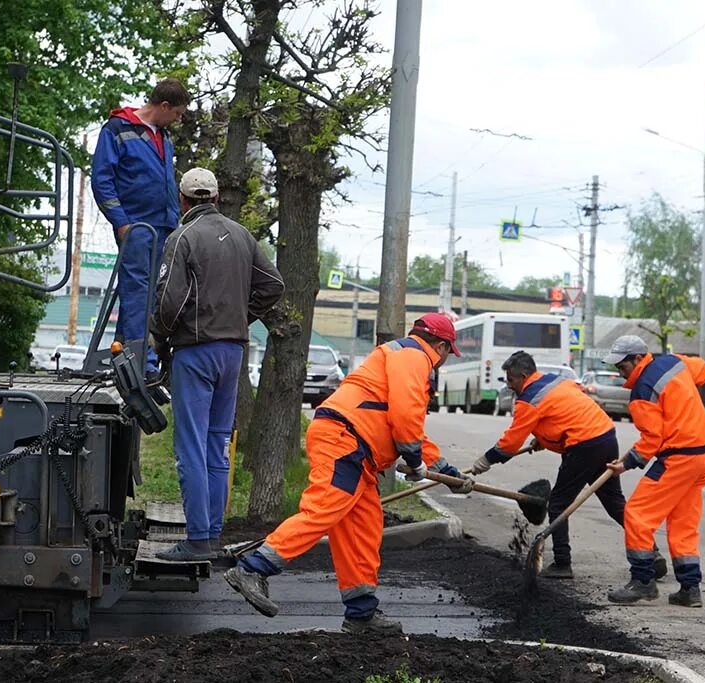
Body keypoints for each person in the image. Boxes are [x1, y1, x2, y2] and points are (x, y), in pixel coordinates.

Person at [224, 313, 477, 634]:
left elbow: (410, 429)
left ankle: (361, 613)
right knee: (325, 507)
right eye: (446, 353)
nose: (443, 361)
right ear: (441, 346)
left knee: (363, 530)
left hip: (353, 449)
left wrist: (446, 472)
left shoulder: (402, 358)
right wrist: (414, 463)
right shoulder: (415, 357)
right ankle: (251, 568)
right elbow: (405, 417)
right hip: (345, 442)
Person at [149, 168, 284, 561]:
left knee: (190, 445)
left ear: (184, 200)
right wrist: (242, 318)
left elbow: (168, 303)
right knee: (218, 445)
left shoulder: (183, 238)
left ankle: (195, 541)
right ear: (217, 196)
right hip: (233, 354)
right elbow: (273, 285)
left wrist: (160, 337)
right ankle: (211, 533)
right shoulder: (242, 236)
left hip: (195, 352)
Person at [472, 351, 666, 581]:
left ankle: (563, 563)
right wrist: (545, 438)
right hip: (605, 437)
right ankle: (650, 553)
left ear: (523, 376)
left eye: (511, 380)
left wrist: (485, 461)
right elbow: (566, 411)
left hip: (583, 446)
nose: (509, 385)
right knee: (615, 503)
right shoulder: (555, 381)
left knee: (558, 503)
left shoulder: (529, 398)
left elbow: (510, 443)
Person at [602, 335, 705, 608]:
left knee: (637, 515)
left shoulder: (642, 390)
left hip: (679, 458)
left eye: (623, 365)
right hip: (703, 455)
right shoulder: (673, 362)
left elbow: (652, 439)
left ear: (639, 358)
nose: (619, 371)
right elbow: (702, 369)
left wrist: (625, 464)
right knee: (682, 523)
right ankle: (690, 588)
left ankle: (643, 582)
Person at [91, 78, 190, 375]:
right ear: (164, 106)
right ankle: (140, 361)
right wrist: (121, 222)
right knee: (139, 291)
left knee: (149, 293)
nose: (179, 119)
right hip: (136, 226)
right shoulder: (118, 129)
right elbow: (102, 179)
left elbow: (165, 182)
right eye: (178, 113)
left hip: (162, 225)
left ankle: (125, 351)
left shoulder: (163, 135)